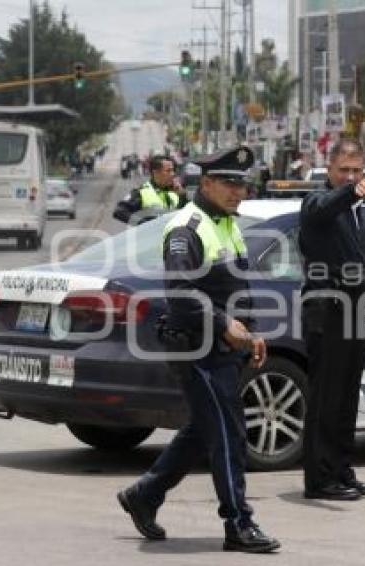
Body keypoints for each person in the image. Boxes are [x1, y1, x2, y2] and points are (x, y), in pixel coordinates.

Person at [117, 145, 280, 554]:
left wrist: (252, 334)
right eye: (229, 182)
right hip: (199, 351)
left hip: (225, 352)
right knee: (228, 435)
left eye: (242, 183)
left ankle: (144, 495)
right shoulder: (187, 228)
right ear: (206, 183)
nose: (238, 191)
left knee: (202, 432)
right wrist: (225, 324)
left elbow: (236, 290)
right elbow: (181, 291)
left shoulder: (226, 223)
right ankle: (239, 524)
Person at [299, 138, 365, 501]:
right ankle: (320, 480)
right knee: (326, 399)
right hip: (326, 309)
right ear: (330, 169)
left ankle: (341, 471)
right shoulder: (317, 202)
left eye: (358, 171)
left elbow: (362, 255)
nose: (351, 177)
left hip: (355, 308)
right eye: (344, 170)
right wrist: (352, 191)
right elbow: (324, 207)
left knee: (346, 399)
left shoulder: (359, 210)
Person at [113, 155, 187, 224]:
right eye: (168, 171)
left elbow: (184, 214)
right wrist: (144, 223)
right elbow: (119, 211)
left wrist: (183, 196)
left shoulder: (177, 190)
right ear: (156, 173)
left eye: (173, 170)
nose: (172, 174)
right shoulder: (142, 192)